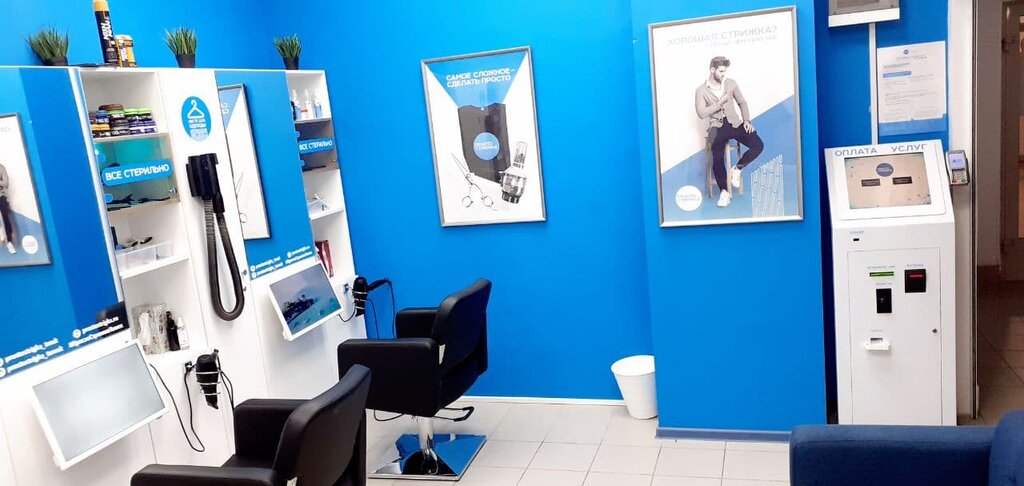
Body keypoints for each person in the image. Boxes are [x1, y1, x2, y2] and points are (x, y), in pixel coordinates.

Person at [694, 56, 765, 208]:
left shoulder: (731, 83)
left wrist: (747, 120)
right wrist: (720, 103)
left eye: (724, 71)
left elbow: (742, 102)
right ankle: (724, 193)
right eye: (720, 71)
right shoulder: (701, 90)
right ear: (712, 70)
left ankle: (737, 169)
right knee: (718, 157)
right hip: (716, 127)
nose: (723, 74)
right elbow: (701, 113)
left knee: (758, 145)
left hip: (735, 123)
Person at [0, 162, 16, 254]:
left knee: (5, 217)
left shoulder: (1, 167)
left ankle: (9, 242)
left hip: (1, 197)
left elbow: (6, 184)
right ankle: (1, 231)